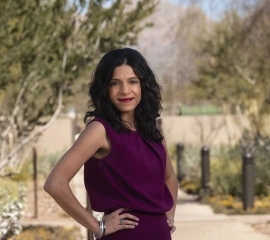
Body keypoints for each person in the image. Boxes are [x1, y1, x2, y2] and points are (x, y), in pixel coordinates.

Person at [44, 48, 178, 239]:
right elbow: (55, 183)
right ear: (105, 89)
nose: (125, 90)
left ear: (143, 86)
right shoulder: (100, 130)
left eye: (133, 81)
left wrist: (170, 215)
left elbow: (170, 178)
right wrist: (98, 227)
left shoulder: (153, 132)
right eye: (115, 83)